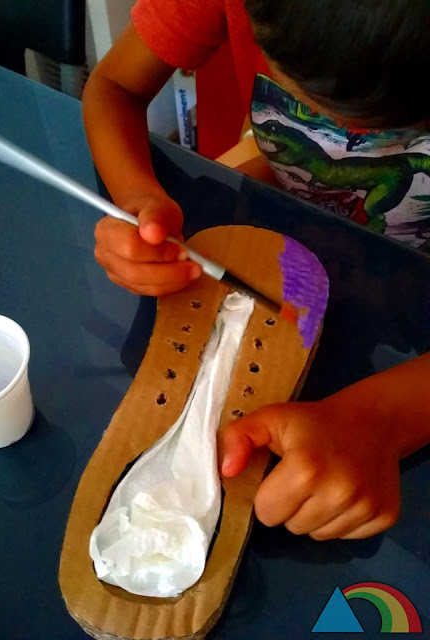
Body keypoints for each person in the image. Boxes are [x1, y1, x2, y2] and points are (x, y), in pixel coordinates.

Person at [82, 0, 430, 541]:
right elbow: (114, 89)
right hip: (275, 241)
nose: (343, 132)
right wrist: (138, 201)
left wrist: (384, 420)